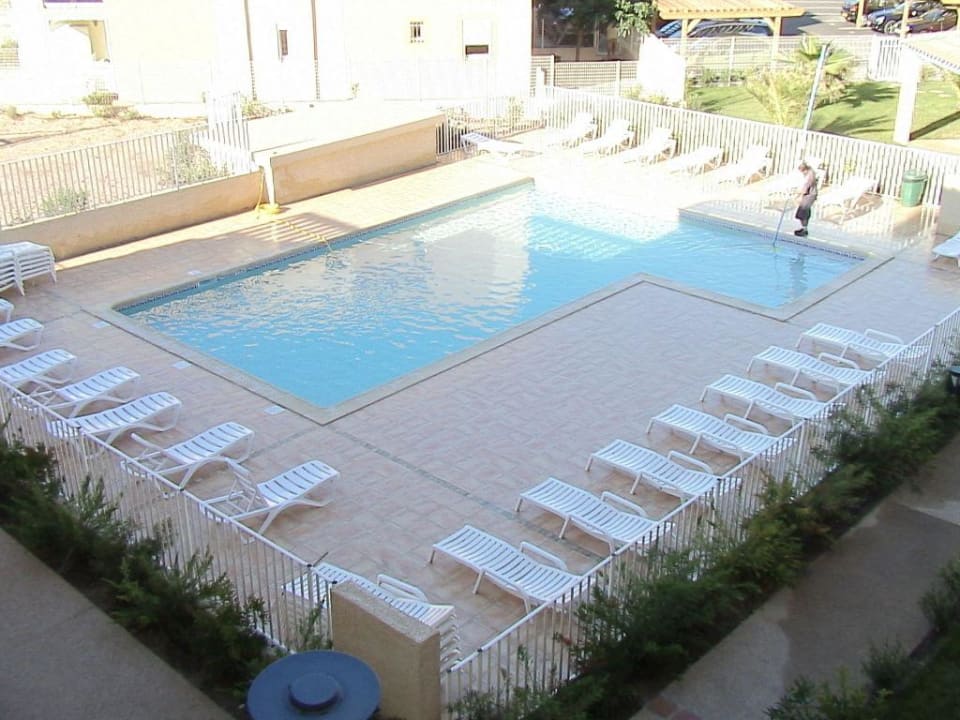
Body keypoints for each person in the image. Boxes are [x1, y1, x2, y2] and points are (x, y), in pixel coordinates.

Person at [794, 162, 818, 237]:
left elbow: (807, 186)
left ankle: (804, 229)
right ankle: (804, 228)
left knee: (803, 212)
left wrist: (800, 195)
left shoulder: (810, 175)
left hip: (809, 195)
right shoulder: (808, 174)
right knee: (802, 213)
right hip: (808, 195)